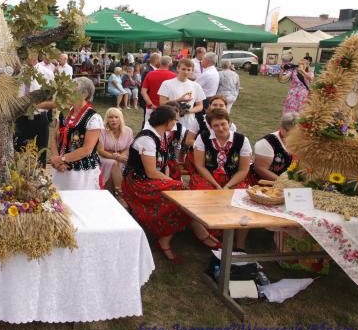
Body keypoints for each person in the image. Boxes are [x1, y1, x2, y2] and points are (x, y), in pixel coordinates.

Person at [122, 105, 220, 263]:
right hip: (138, 183)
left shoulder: (160, 135)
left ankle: (172, 238)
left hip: (150, 180)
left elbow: (163, 165)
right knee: (180, 193)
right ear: (167, 121)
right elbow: (151, 172)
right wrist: (173, 183)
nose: (176, 122)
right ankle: (194, 235)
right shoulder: (147, 139)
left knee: (181, 196)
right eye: (174, 119)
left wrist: (170, 182)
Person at [48, 77, 103, 190]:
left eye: (71, 90)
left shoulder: (93, 118)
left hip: (81, 173)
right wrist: (57, 160)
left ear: (84, 94)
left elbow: (87, 150)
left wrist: (61, 159)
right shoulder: (64, 112)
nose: (67, 93)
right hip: (60, 168)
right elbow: (53, 138)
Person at [189, 110, 252, 191]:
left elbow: (243, 169)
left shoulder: (242, 140)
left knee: (239, 193)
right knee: (203, 190)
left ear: (229, 123)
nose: (220, 128)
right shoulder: (202, 138)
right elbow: (200, 166)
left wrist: (228, 186)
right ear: (210, 127)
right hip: (209, 177)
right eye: (215, 125)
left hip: (233, 179)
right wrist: (217, 186)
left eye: (223, 124)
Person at [14, 52, 56, 167]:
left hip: (39, 120)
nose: (31, 55)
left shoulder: (47, 73)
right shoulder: (16, 73)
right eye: (28, 51)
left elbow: (53, 102)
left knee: (39, 158)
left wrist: (35, 106)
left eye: (34, 51)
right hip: (19, 120)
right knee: (18, 157)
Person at [157, 58, 205, 133]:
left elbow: (200, 106)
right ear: (178, 69)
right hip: (169, 121)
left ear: (192, 71)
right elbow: (162, 104)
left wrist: (188, 111)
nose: (186, 72)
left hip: (189, 123)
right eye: (183, 69)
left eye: (188, 70)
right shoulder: (166, 84)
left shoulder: (196, 86)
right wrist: (179, 100)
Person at [249, 112, 297, 183]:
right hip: (262, 183)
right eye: (291, 132)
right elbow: (260, 169)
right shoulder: (267, 143)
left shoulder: (300, 140)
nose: (295, 135)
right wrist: (285, 182)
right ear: (281, 128)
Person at [97, 107, 133, 194]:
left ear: (121, 119)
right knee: (113, 163)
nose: (114, 120)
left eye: (116, 117)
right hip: (104, 157)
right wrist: (115, 157)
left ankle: (112, 192)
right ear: (107, 119)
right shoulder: (102, 131)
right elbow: (100, 151)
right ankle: (120, 192)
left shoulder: (128, 131)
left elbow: (128, 147)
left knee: (121, 163)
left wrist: (121, 156)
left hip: (122, 156)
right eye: (111, 117)